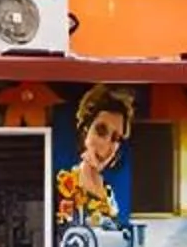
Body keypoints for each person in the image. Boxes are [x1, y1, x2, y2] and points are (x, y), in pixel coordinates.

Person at [52, 85, 132, 229]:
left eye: (116, 138)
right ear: (85, 131)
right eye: (101, 132)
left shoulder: (109, 191)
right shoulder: (67, 184)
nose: (106, 145)